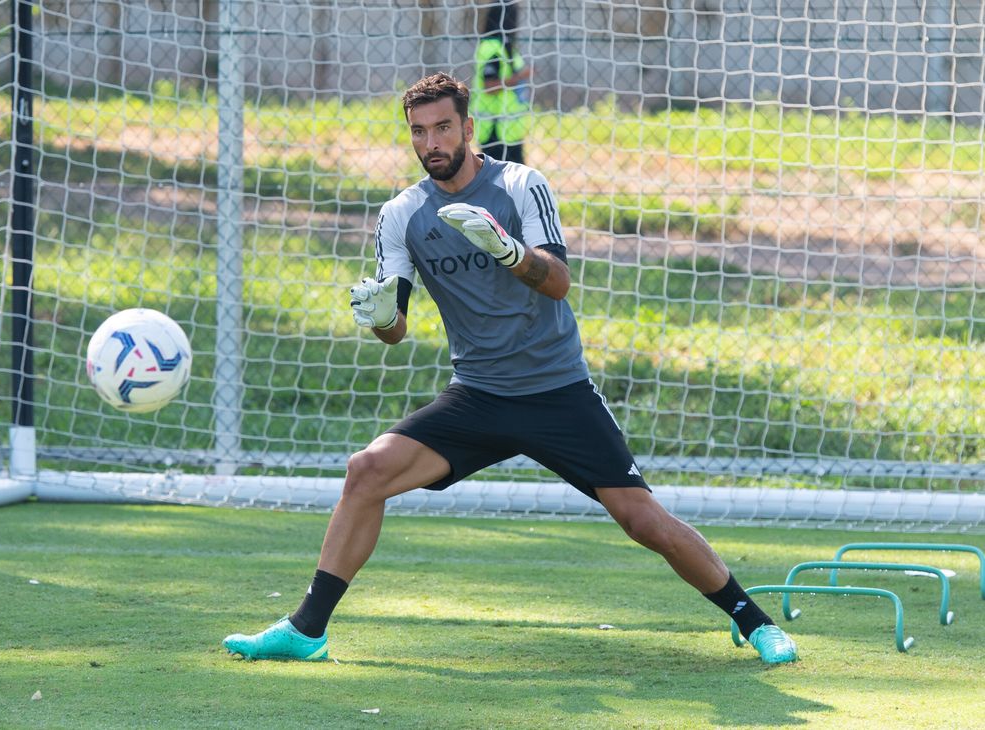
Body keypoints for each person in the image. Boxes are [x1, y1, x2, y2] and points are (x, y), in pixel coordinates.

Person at [222, 72, 798, 666]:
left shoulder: (522, 185)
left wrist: (511, 253)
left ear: (469, 128)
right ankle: (306, 629)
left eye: (443, 127)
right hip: (478, 396)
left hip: (556, 391)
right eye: (419, 132)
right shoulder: (402, 214)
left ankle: (755, 623)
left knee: (641, 518)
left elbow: (559, 283)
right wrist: (377, 315)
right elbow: (394, 332)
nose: (432, 142)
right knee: (366, 470)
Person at [472, 0, 532, 164]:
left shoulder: (506, 46)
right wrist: (520, 76)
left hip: (510, 131)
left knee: (517, 181)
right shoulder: (493, 48)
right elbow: (489, 86)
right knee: (501, 182)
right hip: (495, 130)